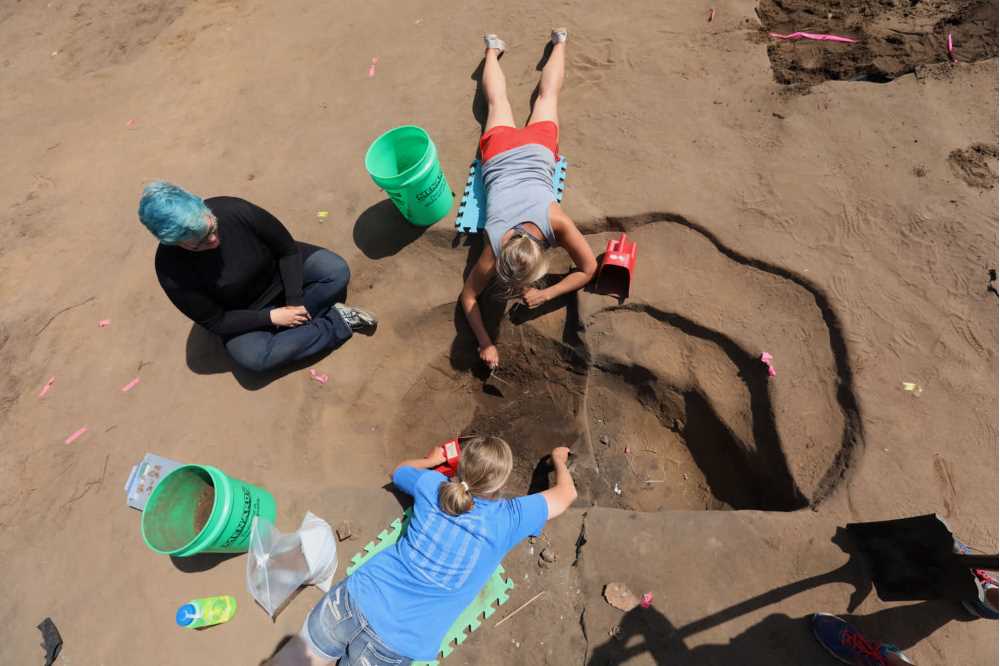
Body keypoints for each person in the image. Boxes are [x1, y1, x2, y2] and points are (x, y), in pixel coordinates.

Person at [269, 437, 578, 665]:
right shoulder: (509, 519)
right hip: (395, 643)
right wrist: (559, 461)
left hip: (353, 599)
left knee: (290, 661)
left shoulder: (433, 486)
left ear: (461, 468)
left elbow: (400, 471)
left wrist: (431, 460)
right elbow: (567, 494)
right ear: (500, 485)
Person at [460, 29, 598, 370]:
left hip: (534, 150)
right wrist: (486, 341)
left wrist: (546, 293)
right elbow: (588, 269)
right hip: (501, 152)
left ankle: (526, 46)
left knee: (533, 99)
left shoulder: (501, 245)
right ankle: (531, 45)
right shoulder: (546, 225)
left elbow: (469, 296)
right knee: (525, 100)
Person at [138, 181, 376, 373]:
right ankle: (337, 322)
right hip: (245, 311)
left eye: (211, 227)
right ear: (174, 243)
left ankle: (293, 329)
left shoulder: (232, 209)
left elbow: (287, 249)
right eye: (199, 243)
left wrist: (294, 300)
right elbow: (216, 321)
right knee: (255, 358)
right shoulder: (170, 270)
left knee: (335, 271)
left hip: (280, 273)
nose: (213, 239)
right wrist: (271, 317)